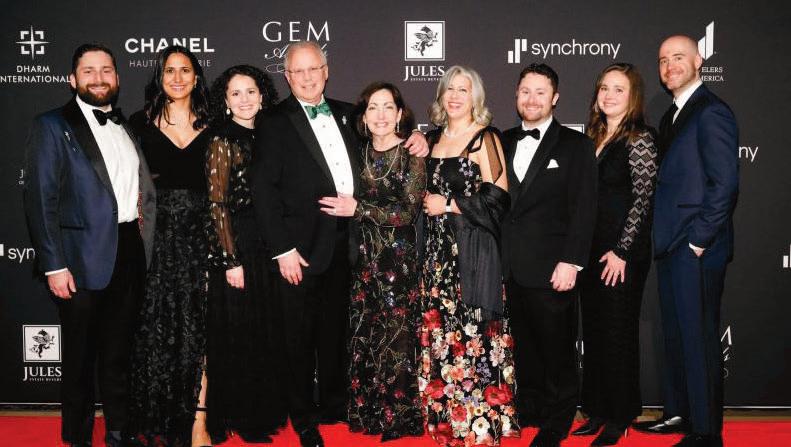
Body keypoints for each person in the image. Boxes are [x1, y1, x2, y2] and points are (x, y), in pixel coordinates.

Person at [251, 40, 427, 447]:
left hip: (353, 249)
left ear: (326, 72)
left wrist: (419, 137)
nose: (307, 77)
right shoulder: (274, 121)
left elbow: (389, 138)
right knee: (298, 339)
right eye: (298, 71)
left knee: (337, 334)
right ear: (287, 76)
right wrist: (282, 250)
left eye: (314, 68)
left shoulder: (351, 115)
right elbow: (263, 191)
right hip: (299, 251)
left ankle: (335, 405)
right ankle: (303, 419)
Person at [23, 43, 156, 447]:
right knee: (80, 358)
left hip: (128, 251)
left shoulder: (125, 125)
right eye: (88, 71)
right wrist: (54, 265)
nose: (99, 78)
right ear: (72, 79)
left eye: (106, 70)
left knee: (119, 353)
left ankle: (119, 432)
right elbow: (40, 199)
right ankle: (77, 438)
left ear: (117, 77)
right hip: (78, 259)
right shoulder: (52, 125)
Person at [632, 35, 738, 447]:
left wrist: (699, 240)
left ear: (699, 60)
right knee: (676, 334)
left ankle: (706, 431)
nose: (670, 66)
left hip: (695, 248)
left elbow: (724, 184)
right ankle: (680, 412)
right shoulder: (673, 115)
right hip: (671, 244)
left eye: (679, 57)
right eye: (663, 60)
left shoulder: (711, 112)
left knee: (698, 337)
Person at [318, 82, 425, 442]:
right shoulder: (356, 151)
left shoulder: (411, 155)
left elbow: (408, 213)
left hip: (397, 261)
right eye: (373, 108)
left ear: (399, 113)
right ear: (363, 116)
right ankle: (367, 413)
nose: (380, 115)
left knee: (396, 337)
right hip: (361, 258)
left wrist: (358, 208)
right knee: (364, 335)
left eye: (387, 107)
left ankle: (398, 417)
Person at [418, 65, 518, 447]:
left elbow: (499, 198)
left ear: (475, 97)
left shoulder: (484, 138)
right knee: (442, 336)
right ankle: (446, 422)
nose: (456, 96)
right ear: (441, 96)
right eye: (450, 89)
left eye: (464, 89)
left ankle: (479, 424)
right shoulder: (432, 139)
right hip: (436, 255)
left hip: (472, 253)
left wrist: (449, 205)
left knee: (474, 334)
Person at [501, 63, 598, 447]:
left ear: (555, 98)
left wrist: (571, 261)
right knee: (523, 347)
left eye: (540, 92)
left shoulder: (576, 145)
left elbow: (584, 209)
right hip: (510, 266)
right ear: (516, 95)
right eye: (525, 91)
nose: (532, 99)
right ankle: (530, 409)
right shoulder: (501, 141)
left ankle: (557, 421)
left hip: (553, 266)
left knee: (557, 350)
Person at [127, 45, 212, 447]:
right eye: (169, 71)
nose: (177, 78)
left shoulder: (215, 123)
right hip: (155, 242)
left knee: (202, 329)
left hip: (204, 236)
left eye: (185, 70)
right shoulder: (138, 124)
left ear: (197, 77)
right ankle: (159, 415)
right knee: (157, 330)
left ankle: (199, 422)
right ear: (159, 77)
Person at [571, 63, 658, 446]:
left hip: (622, 254)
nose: (608, 95)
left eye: (618, 89)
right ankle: (597, 409)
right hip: (591, 251)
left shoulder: (639, 139)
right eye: (604, 87)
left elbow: (643, 200)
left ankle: (620, 415)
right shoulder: (593, 137)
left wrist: (622, 250)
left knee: (618, 333)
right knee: (595, 332)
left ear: (633, 96)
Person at [204, 65, 287, 443]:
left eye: (251, 91)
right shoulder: (222, 139)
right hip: (239, 245)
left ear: (263, 95)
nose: (244, 100)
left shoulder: (271, 134)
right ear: (225, 100)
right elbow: (217, 203)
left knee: (266, 331)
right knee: (241, 333)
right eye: (235, 93)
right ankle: (243, 416)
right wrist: (230, 260)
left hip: (270, 244)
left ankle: (265, 411)